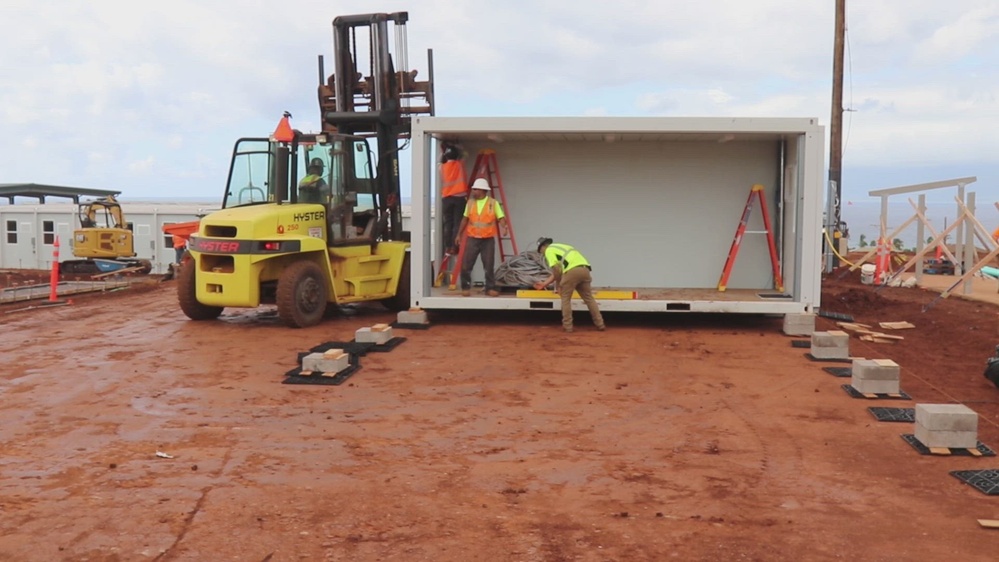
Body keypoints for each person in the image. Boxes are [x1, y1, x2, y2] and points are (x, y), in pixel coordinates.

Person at [533, 237, 606, 333]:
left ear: (543, 247)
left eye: (540, 251)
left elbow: (556, 269)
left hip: (572, 272)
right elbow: (559, 269)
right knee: (589, 298)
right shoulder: (563, 247)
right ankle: (600, 324)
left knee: (565, 298)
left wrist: (559, 285)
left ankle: (568, 327)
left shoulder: (549, 251)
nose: (541, 253)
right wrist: (545, 283)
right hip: (585, 270)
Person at [455, 177, 508, 297]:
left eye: (476, 189)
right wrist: (459, 234)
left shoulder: (493, 203)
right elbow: (465, 219)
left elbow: (501, 217)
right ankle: (465, 287)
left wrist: (504, 227)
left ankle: (490, 288)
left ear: (483, 191)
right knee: (466, 264)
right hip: (472, 238)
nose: (474, 191)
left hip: (487, 239)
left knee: (488, 265)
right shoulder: (470, 203)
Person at [439, 142, 468, 254]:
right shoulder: (460, 164)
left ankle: (448, 247)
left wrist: (443, 150)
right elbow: (464, 154)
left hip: (446, 198)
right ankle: (455, 247)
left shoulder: (441, 167)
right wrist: (456, 145)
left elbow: (440, 160)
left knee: (448, 223)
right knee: (457, 223)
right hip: (459, 197)